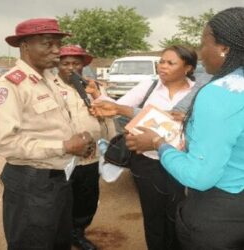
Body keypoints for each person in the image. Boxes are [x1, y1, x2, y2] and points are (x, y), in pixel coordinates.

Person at [126, 7, 244, 250]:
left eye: (204, 44)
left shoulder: (219, 92)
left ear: (224, 48)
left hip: (220, 213)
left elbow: (199, 176)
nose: (201, 54)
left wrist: (158, 144)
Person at [0, 18, 95, 250]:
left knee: (58, 242)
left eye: (58, 44)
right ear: (24, 46)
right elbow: (5, 143)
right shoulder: (9, 87)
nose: (57, 50)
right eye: (47, 44)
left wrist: (79, 138)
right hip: (31, 183)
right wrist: (64, 146)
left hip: (59, 178)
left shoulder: (48, 80)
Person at [90, 45, 198, 250]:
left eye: (170, 63)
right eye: (162, 61)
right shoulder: (149, 86)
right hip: (147, 160)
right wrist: (99, 95)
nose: (163, 67)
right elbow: (117, 106)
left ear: (188, 68)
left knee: (179, 213)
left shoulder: (199, 91)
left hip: (182, 161)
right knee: (153, 214)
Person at [55, 45, 115, 250]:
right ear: (57, 65)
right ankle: (61, 236)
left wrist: (111, 143)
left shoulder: (94, 87)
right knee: (61, 200)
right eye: (65, 63)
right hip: (63, 158)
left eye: (76, 63)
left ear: (83, 66)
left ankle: (78, 233)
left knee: (87, 199)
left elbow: (109, 118)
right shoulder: (49, 88)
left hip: (91, 156)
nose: (71, 68)